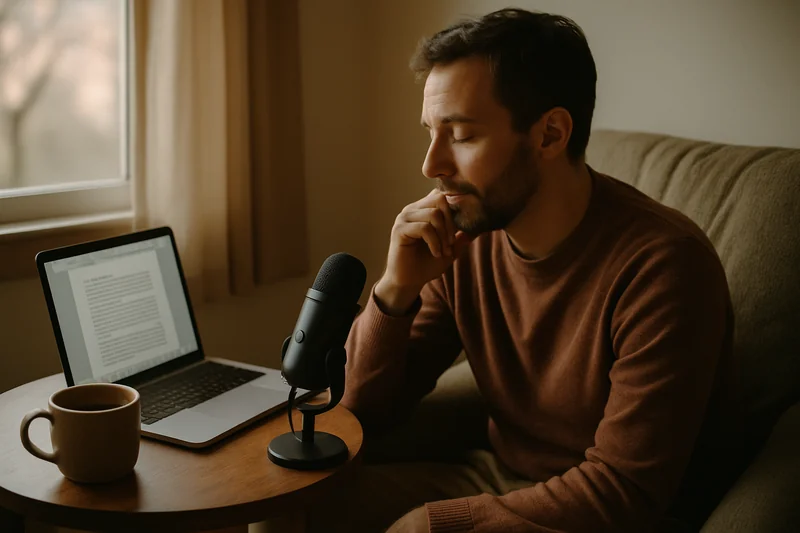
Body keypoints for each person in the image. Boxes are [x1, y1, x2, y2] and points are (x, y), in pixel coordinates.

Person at [309, 8, 741, 533]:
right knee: (292, 506)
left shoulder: (664, 268)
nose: (431, 165)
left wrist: (439, 526)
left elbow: (626, 490)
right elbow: (363, 413)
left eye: (462, 135)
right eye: (430, 132)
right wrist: (396, 290)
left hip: (613, 515)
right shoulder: (463, 239)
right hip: (495, 477)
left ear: (550, 135)